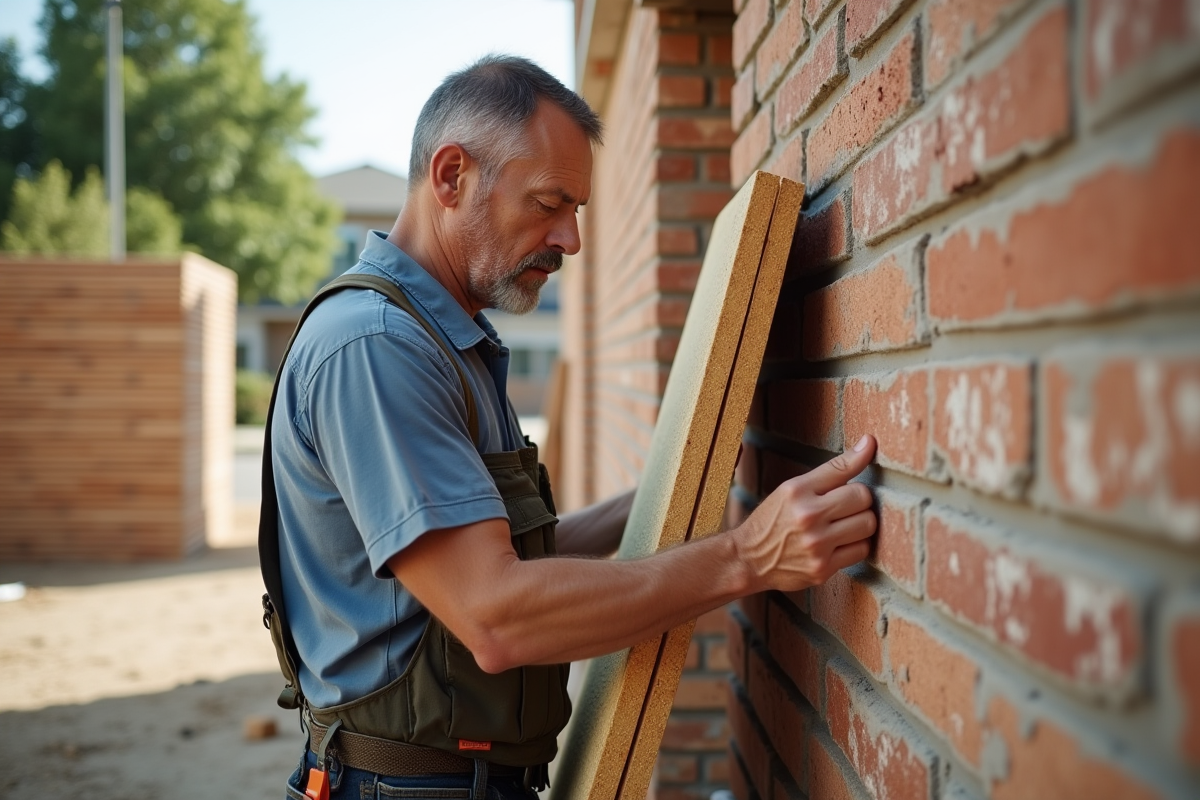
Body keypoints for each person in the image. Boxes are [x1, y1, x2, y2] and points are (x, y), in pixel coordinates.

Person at [262, 55, 879, 800]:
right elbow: (496, 615)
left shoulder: (441, 339)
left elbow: (506, 548)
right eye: (550, 203)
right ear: (450, 176)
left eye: (578, 210)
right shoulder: (379, 348)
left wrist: (677, 496)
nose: (571, 240)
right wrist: (749, 556)